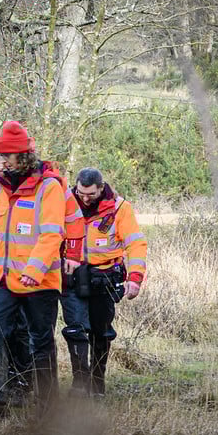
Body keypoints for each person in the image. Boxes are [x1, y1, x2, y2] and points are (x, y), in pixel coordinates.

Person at [0, 134, 83, 404]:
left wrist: (34, 269)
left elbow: (52, 234)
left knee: (40, 342)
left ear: (23, 155)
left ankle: (47, 405)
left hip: (39, 281)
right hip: (2, 280)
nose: (2, 163)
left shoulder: (49, 186)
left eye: (7, 157)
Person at [61, 167, 147, 397]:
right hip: (73, 277)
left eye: (91, 194)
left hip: (105, 278)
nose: (85, 198)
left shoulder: (120, 209)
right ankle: (80, 383)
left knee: (101, 333)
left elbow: (136, 244)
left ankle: (97, 383)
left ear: (101, 188)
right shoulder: (65, 204)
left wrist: (135, 278)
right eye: (81, 193)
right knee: (76, 329)